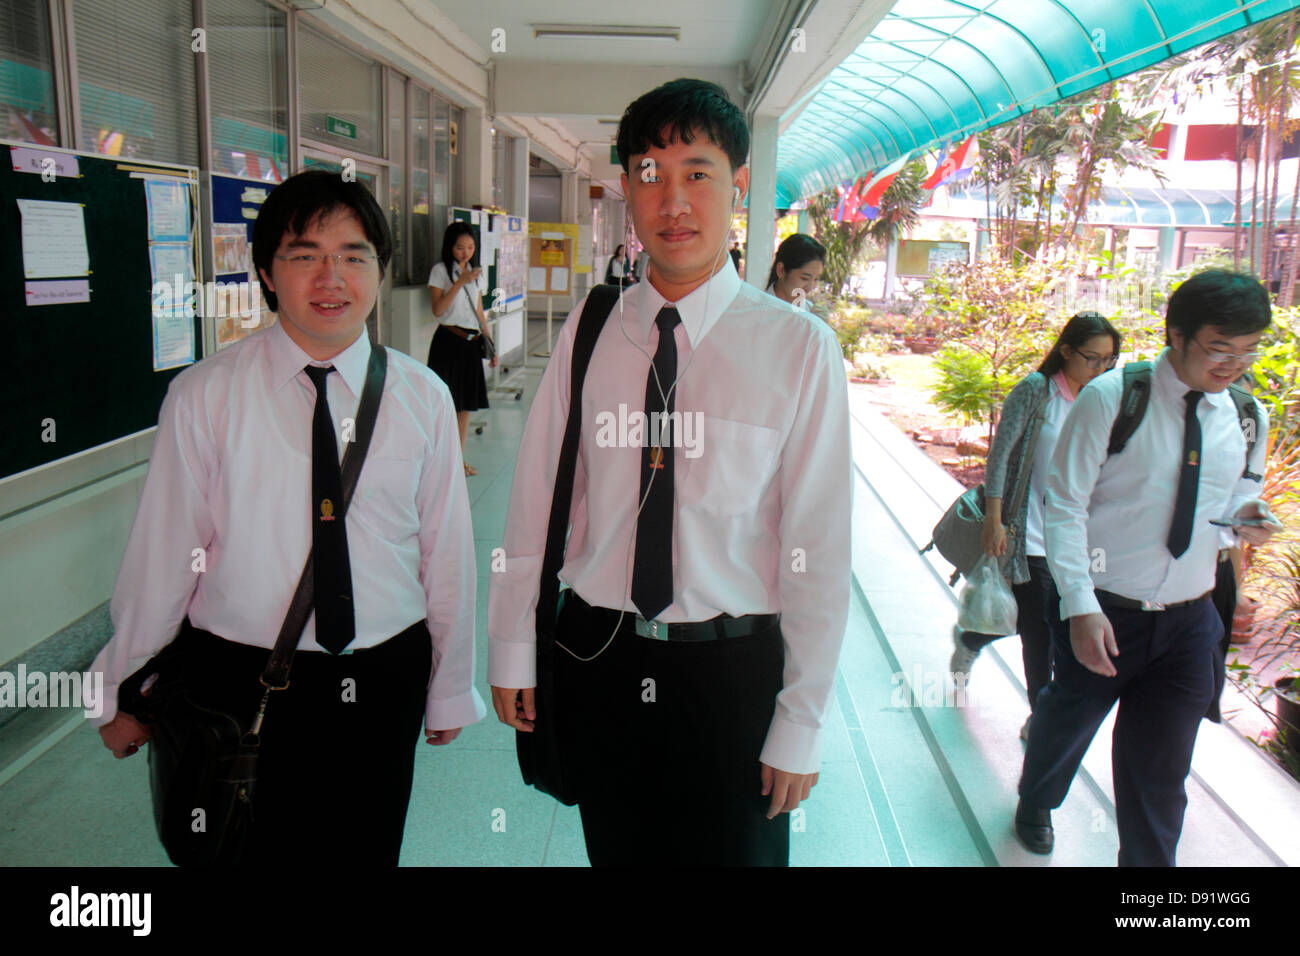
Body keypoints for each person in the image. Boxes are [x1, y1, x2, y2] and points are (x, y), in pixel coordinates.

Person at [487, 77, 852, 866]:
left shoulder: (797, 349)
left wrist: (801, 719)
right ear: (625, 189)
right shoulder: (592, 328)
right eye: (650, 174)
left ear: (739, 184)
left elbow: (818, 551)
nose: (673, 200)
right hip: (599, 658)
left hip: (733, 673)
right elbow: (537, 501)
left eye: (698, 173)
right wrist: (514, 646)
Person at [92, 169, 485, 866]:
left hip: (382, 676)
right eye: (304, 255)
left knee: (365, 851)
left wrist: (450, 685)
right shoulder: (205, 395)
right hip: (235, 682)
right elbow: (166, 554)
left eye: (353, 255)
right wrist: (120, 686)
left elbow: (446, 553)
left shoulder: (422, 396)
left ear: (379, 269)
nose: (331, 276)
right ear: (268, 274)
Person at [1015, 269, 1279, 865]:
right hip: (1105, 611)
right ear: (1177, 335)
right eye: (1219, 347)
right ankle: (1036, 797)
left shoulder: (1243, 414)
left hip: (1189, 621)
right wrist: (1079, 607)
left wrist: (1250, 519)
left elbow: (1234, 501)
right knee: (1065, 722)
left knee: (1160, 773)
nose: (1235, 363)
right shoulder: (1114, 398)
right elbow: (1065, 505)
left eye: (1247, 349)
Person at [950, 312, 1122, 741]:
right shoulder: (1036, 391)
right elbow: (1000, 455)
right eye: (1091, 358)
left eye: (1109, 361)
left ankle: (971, 639)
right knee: (1039, 631)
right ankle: (1040, 717)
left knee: (1040, 624)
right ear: (1065, 351)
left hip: (1071, 539)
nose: (1100, 369)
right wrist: (995, 521)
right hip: (1027, 532)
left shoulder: (1102, 401)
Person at [428, 220, 498, 476]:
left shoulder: (474, 272)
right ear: (450, 247)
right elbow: (437, 309)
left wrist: (490, 343)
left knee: (465, 406)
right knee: (444, 404)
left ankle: (458, 459)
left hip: (471, 344)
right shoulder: (440, 271)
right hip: (448, 342)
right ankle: (439, 460)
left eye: (470, 247)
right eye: (460, 247)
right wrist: (460, 282)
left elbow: (479, 311)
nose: (465, 252)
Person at [765, 234, 826, 311]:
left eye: (816, 279)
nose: (810, 287)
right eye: (805, 278)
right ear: (781, 270)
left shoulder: (810, 312)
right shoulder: (757, 311)